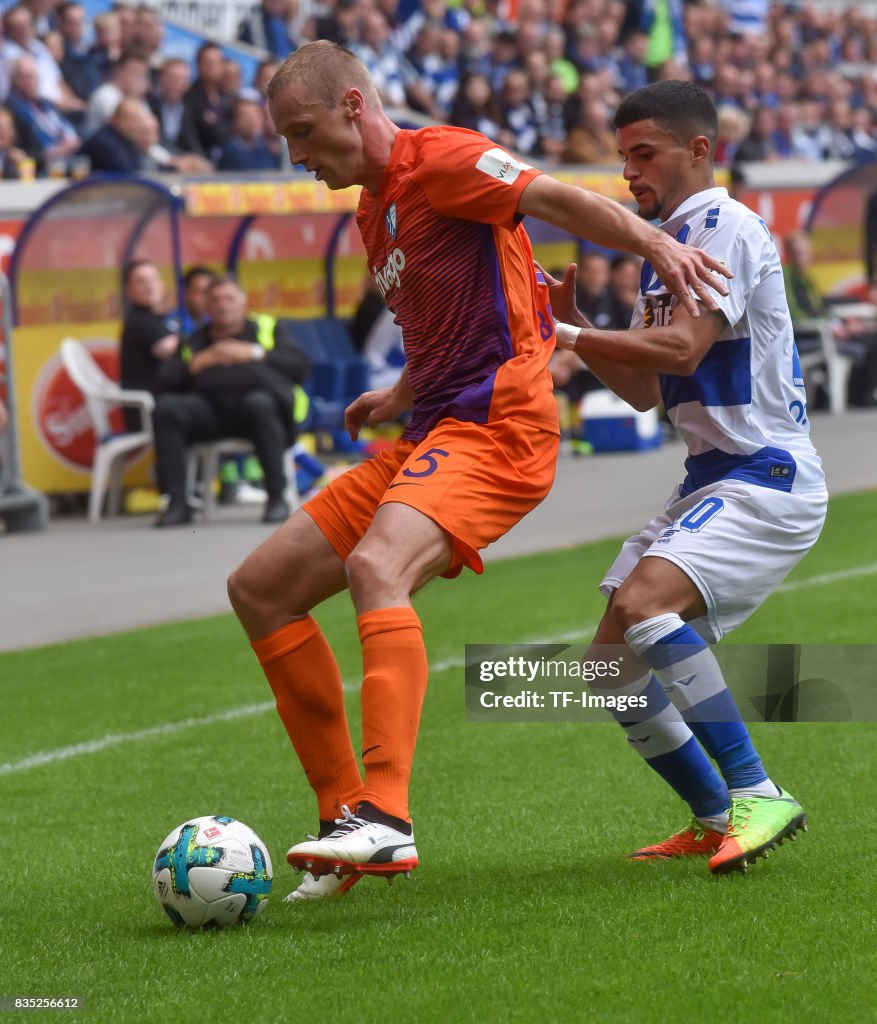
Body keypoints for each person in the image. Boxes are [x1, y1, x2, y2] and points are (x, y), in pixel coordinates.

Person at [225, 40, 730, 903]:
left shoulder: (443, 159)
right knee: (260, 587)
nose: (297, 155)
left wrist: (656, 245)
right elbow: (456, 318)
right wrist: (396, 391)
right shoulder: (373, 210)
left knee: (374, 567)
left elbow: (557, 197)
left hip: (499, 430)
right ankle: (344, 814)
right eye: (285, 140)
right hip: (433, 428)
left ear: (353, 105)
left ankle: (384, 818)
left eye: (303, 131)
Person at [549, 80, 828, 875]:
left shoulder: (724, 226)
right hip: (709, 476)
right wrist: (587, 338)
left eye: (644, 153)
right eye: (622, 156)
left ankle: (757, 790)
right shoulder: (664, 244)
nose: (629, 172)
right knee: (609, 669)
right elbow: (645, 390)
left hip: (763, 476)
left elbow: (680, 351)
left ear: (698, 149)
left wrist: (566, 330)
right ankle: (713, 817)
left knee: (642, 608)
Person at [152, 275, 309, 527]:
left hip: (255, 414)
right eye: (215, 300)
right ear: (207, 307)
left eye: (229, 299)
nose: (222, 305)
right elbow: (162, 382)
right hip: (210, 413)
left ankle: (276, 497)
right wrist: (197, 363)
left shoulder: (267, 329)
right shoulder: (194, 341)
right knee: (167, 409)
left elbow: (300, 368)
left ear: (243, 302)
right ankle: (177, 503)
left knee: (259, 404)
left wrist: (253, 353)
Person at [119, 259, 180, 431]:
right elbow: (169, 350)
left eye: (154, 279)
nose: (150, 286)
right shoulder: (139, 321)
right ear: (129, 290)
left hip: (165, 407)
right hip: (153, 413)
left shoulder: (159, 319)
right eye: (141, 281)